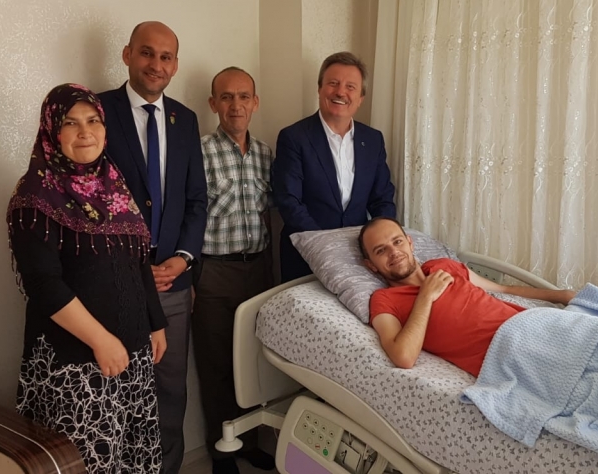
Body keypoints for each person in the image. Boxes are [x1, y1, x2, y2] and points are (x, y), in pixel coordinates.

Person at [7, 83, 166, 473]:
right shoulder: (35, 196)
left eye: (93, 121)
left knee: (135, 457)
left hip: (133, 353)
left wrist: (156, 323)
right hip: (76, 362)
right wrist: (101, 341)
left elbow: (138, 262)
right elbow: (43, 285)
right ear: (52, 130)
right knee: (88, 463)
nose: (85, 132)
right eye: (71, 123)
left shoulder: (115, 186)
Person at [98, 21, 207, 474]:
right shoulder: (97, 111)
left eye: (165, 57)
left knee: (169, 392)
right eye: (146, 53)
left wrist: (183, 258)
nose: (156, 64)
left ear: (175, 65)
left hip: (171, 283)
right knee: (116, 390)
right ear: (127, 55)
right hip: (115, 284)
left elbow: (196, 200)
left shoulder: (186, 119)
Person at [358, 217, 576, 376]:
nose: (394, 252)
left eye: (397, 242)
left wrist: (561, 295)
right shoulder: (384, 299)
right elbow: (404, 357)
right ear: (371, 265)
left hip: (531, 325)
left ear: (410, 243)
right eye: (381, 250)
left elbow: (502, 289)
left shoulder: (443, 266)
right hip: (508, 353)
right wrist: (425, 296)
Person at [193, 67, 276, 474]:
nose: (236, 105)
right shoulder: (199, 152)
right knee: (217, 365)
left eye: (244, 96)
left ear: (255, 103)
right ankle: (222, 451)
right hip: (214, 272)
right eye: (226, 97)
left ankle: (250, 441)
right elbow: (189, 216)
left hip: (258, 269)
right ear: (213, 104)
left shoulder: (265, 154)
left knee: (253, 362)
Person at [271, 51, 397, 282]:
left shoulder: (373, 140)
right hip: (307, 256)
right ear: (320, 89)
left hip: (360, 258)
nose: (340, 92)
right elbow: (289, 201)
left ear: (360, 97)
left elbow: (382, 199)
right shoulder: (294, 137)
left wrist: (384, 243)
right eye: (333, 83)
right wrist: (326, 247)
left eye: (350, 87)